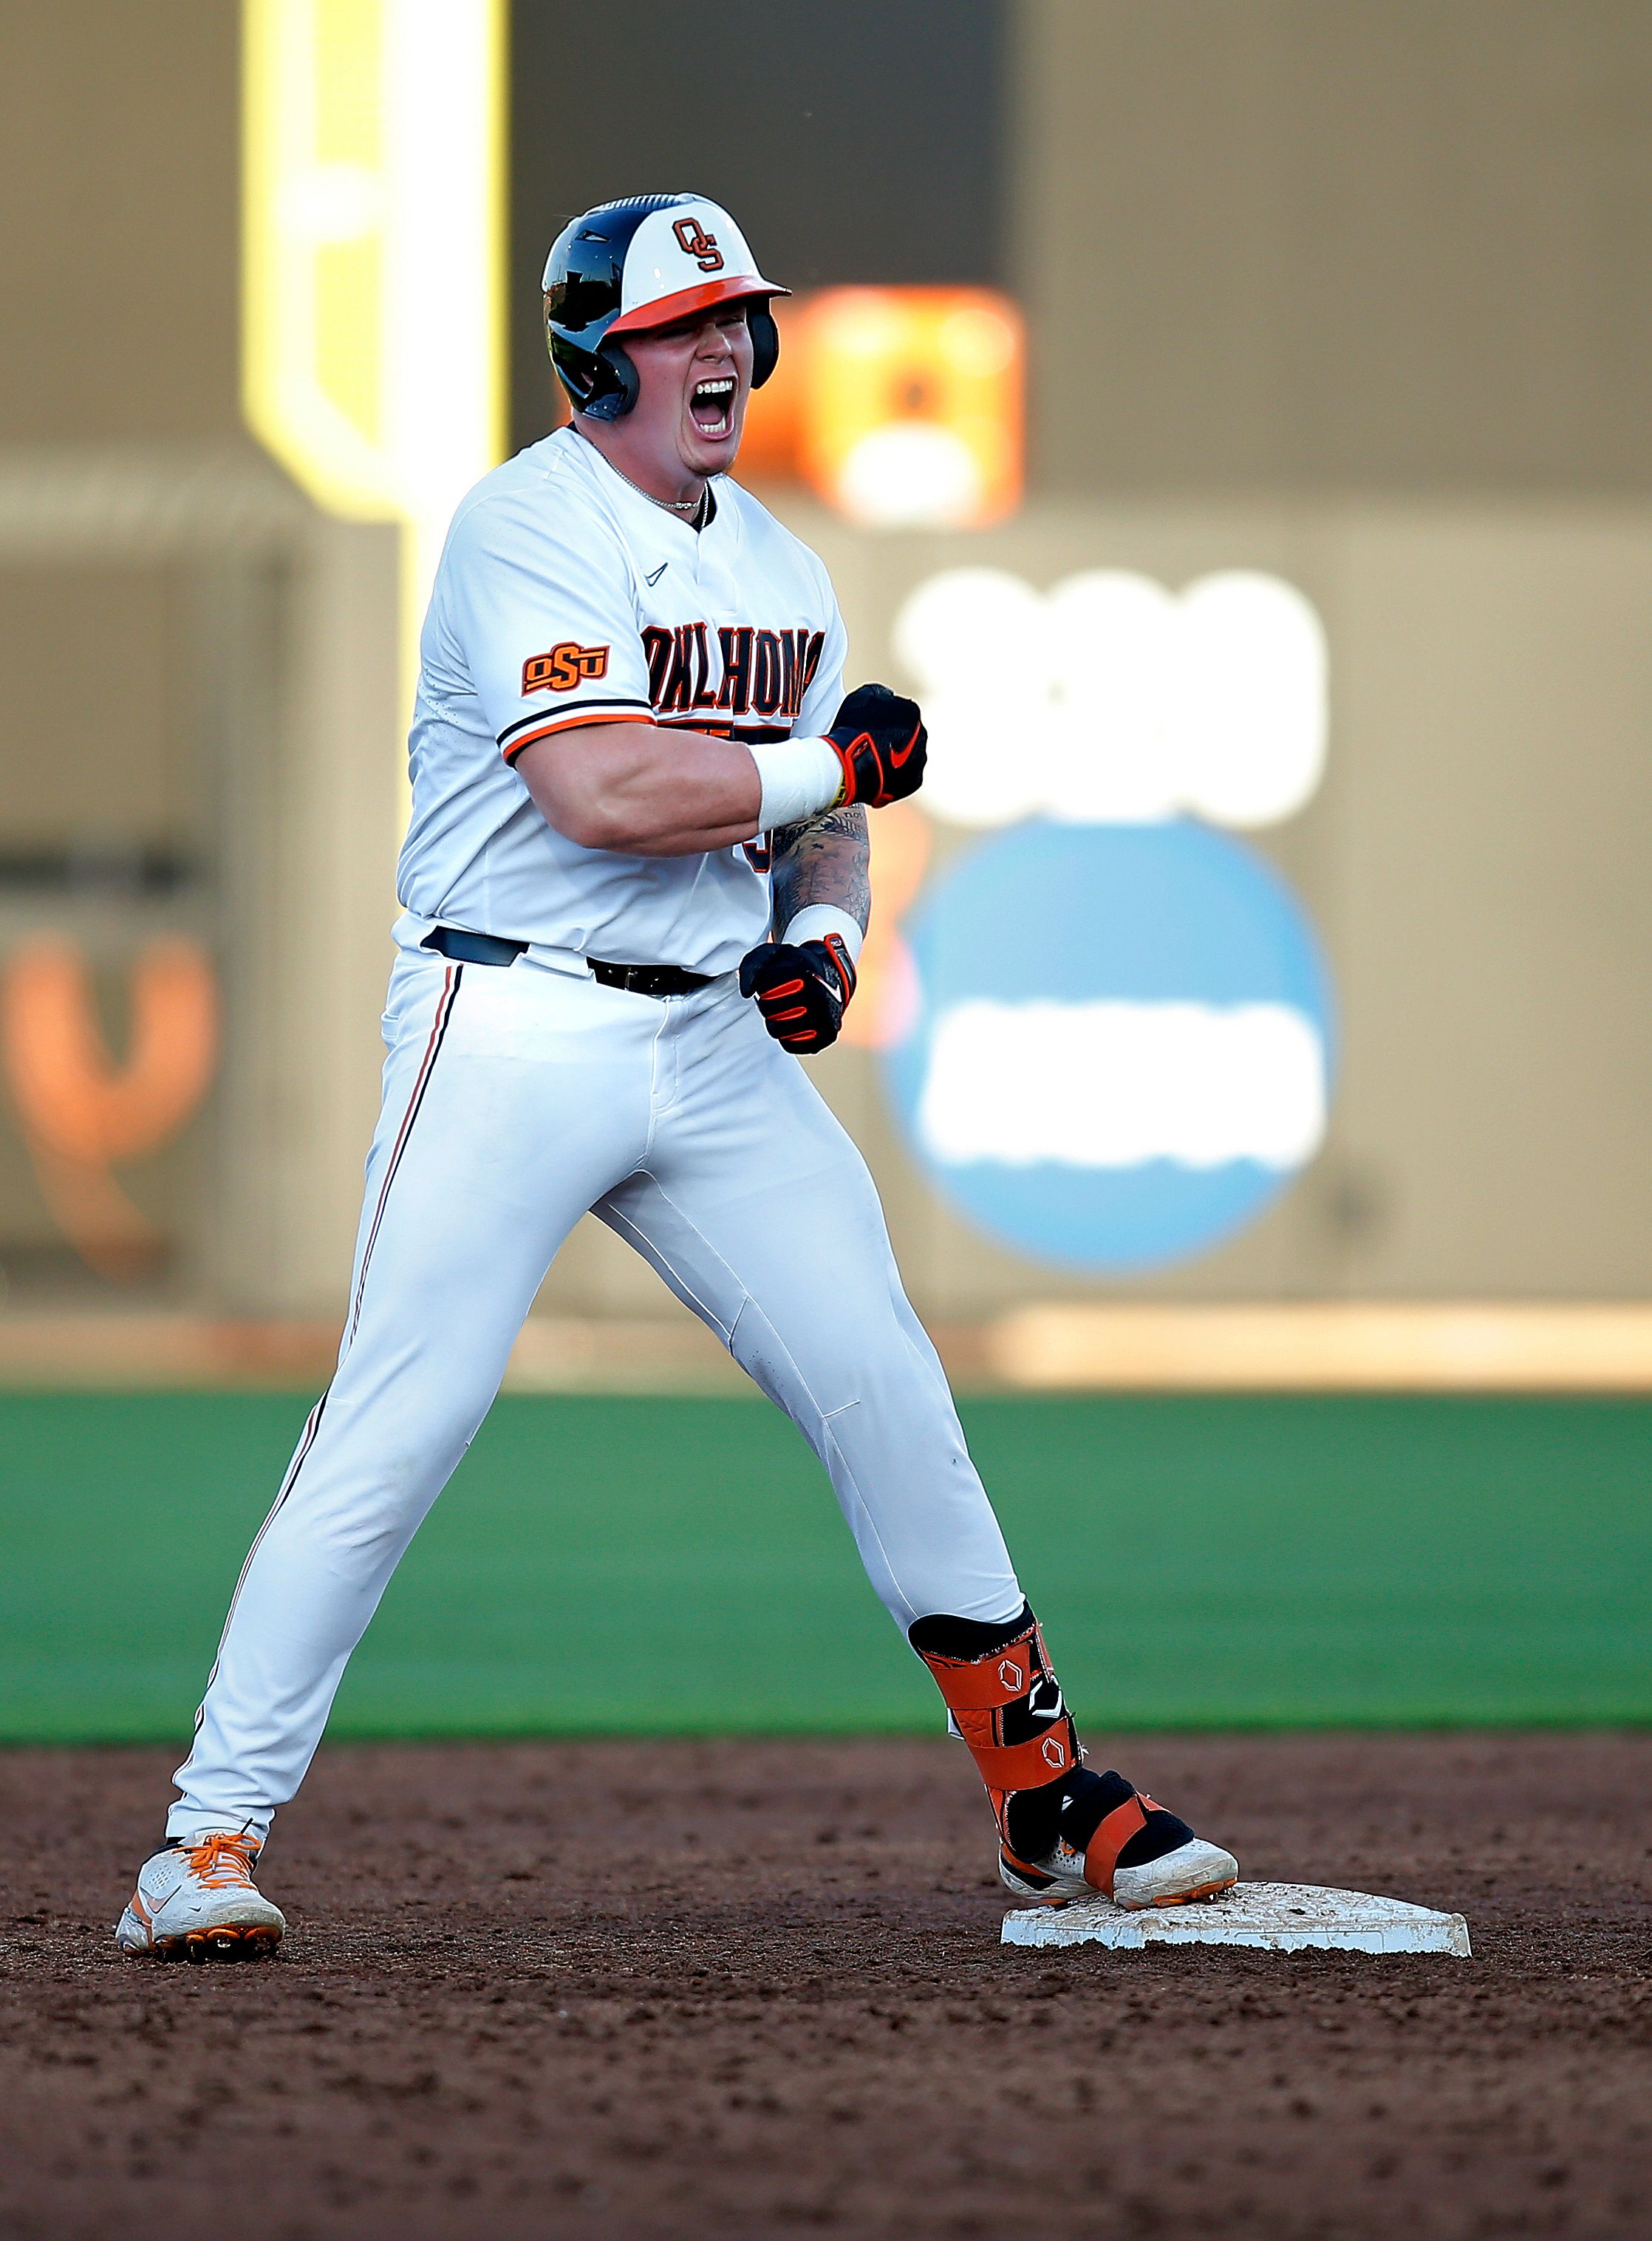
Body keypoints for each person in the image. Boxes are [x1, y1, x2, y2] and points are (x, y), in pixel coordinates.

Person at [115, 194, 1238, 1962]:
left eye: (735, 315)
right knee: (402, 1415)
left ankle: (1045, 1794)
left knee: (882, 1375)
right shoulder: (520, 525)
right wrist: (815, 772)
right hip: (512, 1020)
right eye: (680, 322)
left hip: (705, 1035)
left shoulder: (779, 566)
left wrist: (829, 941)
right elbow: (603, 795)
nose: (721, 345)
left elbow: (831, 834)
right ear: (594, 356)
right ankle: (206, 1832)